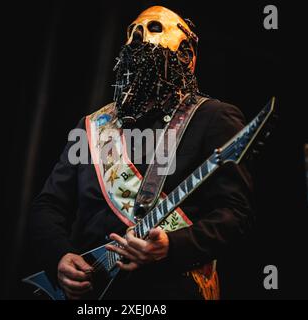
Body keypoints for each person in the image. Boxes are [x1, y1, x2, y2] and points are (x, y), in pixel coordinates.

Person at [29, 6, 253, 300]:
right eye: (132, 33)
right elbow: (47, 206)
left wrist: (172, 246)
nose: (137, 39)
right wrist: (60, 256)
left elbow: (235, 214)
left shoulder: (213, 118)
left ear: (185, 55)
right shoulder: (94, 126)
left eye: (153, 29)